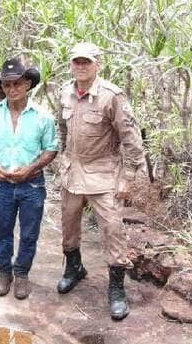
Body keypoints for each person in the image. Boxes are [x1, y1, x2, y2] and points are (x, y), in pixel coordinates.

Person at [56, 42, 144, 320]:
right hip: (72, 173)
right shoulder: (64, 93)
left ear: (98, 64)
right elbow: (63, 129)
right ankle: (74, 268)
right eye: (76, 61)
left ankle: (116, 288)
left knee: (112, 229)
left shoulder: (111, 96)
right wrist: (62, 158)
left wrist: (128, 178)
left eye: (86, 62)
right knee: (68, 225)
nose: (80, 66)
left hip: (104, 174)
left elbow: (132, 139)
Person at [0, 57, 58, 300]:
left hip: (32, 184)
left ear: (27, 84)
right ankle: (4, 272)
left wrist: (31, 168)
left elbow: (51, 149)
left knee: (29, 232)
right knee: (3, 229)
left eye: (16, 84)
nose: (12, 90)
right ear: (1, 87)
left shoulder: (43, 117)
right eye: (6, 85)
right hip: (2, 183)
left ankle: (22, 272)